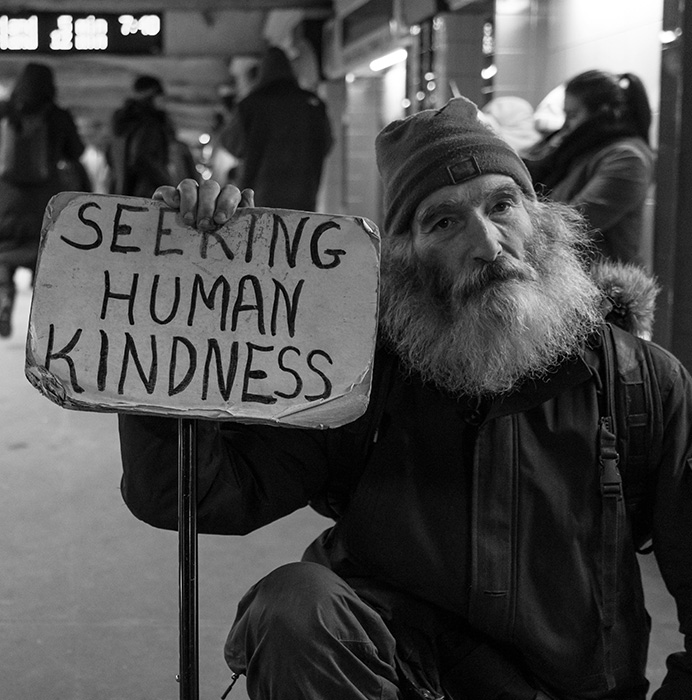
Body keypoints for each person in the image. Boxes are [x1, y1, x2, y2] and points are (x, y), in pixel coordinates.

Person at [118, 97, 692, 700]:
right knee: (293, 604)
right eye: (443, 223)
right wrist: (182, 311)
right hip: (401, 680)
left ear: (541, 219)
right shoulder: (357, 373)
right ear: (405, 259)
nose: (489, 245)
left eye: (503, 205)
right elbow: (195, 494)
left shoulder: (639, 383)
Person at [524, 70, 655, 267]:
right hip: (574, 280)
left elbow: (572, 225)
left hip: (605, 289)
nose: (566, 125)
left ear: (602, 113)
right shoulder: (582, 150)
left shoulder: (627, 159)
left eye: (573, 115)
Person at [0, 62, 84, 338]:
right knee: (44, 259)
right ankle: (43, 325)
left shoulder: (4, 111)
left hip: (4, 199)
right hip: (42, 200)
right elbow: (76, 152)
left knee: (2, 254)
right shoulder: (57, 116)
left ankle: (3, 299)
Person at [218, 45, 333, 211]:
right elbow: (327, 144)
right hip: (305, 198)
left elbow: (230, 143)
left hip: (259, 199)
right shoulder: (314, 104)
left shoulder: (251, 104)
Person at [107, 74, 176, 198]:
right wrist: (167, 184)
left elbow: (110, 157)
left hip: (121, 192)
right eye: (160, 95)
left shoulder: (123, 123)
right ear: (152, 95)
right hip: (147, 194)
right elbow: (142, 157)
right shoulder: (150, 123)